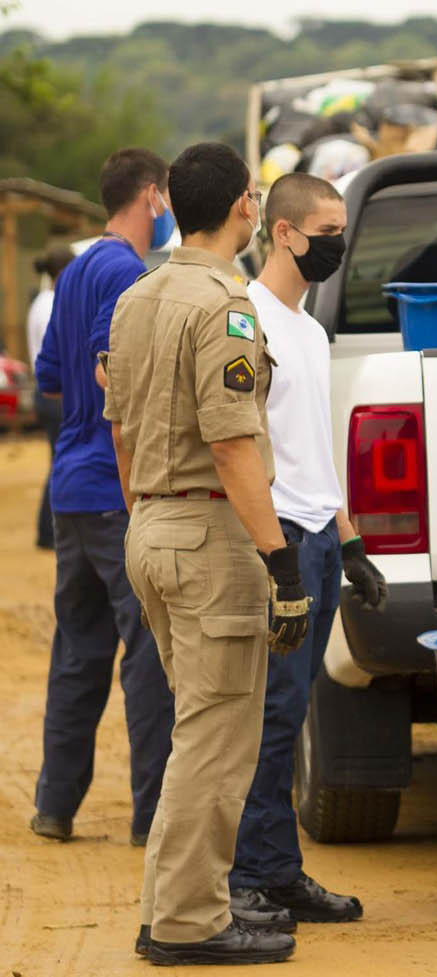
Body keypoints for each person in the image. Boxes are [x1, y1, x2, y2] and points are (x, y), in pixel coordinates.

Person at [106, 141, 311, 967]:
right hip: (205, 531)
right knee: (217, 735)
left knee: (197, 726)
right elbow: (233, 447)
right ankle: (190, 921)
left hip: (150, 524)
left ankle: (174, 907)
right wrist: (280, 560)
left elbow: (120, 427)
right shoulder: (226, 306)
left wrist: (149, 517)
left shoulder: (139, 296)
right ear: (244, 208)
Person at [228, 172, 383, 926]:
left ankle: (278, 871)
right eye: (326, 229)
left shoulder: (312, 332)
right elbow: (240, 448)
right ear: (284, 232)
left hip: (320, 535)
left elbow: (313, 447)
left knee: (293, 711)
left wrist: (351, 542)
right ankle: (250, 877)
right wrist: (277, 556)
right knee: (269, 712)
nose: (337, 243)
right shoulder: (247, 318)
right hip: (280, 539)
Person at [29, 150, 176, 849]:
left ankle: (55, 805)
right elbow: (102, 365)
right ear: (152, 196)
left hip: (71, 486)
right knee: (148, 651)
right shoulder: (124, 272)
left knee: (78, 650)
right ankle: (153, 816)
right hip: (116, 489)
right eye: (167, 198)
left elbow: (50, 379)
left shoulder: (79, 269)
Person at [29, 244, 75, 549]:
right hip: (53, 394)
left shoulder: (43, 301)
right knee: (60, 462)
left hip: (46, 393)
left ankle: (49, 530)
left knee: (57, 461)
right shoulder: (50, 304)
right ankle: (48, 531)